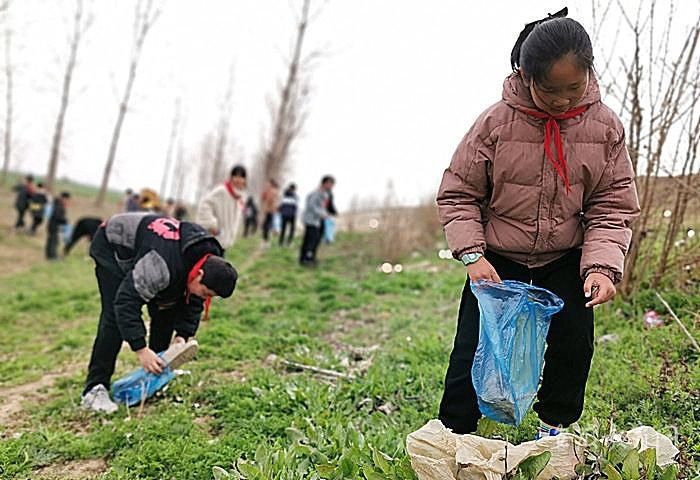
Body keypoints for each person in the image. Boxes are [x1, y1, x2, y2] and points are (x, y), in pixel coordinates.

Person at [436, 9, 640, 440]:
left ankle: (554, 430)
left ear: (590, 73)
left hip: (565, 257)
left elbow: (611, 205)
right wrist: (473, 255)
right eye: (550, 90)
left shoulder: (605, 128)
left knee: (573, 343)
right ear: (525, 76)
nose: (563, 100)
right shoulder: (494, 124)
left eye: (574, 88)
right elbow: (459, 193)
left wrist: (601, 267)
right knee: (474, 346)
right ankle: (455, 436)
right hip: (498, 260)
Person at [81, 212, 238, 413]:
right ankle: (94, 388)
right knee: (114, 316)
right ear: (199, 275)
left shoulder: (209, 260)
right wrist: (141, 349)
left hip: (151, 251)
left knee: (167, 309)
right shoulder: (161, 266)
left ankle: (155, 375)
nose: (204, 296)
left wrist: (182, 336)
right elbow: (126, 302)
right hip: (115, 245)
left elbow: (194, 300)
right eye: (206, 292)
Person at [195, 165, 247, 252]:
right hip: (213, 238)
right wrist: (212, 224)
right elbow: (205, 204)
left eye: (241, 177)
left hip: (224, 241)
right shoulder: (222, 191)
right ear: (231, 177)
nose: (238, 179)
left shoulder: (240, 197)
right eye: (236, 176)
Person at [299, 176, 335, 266]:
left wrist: (326, 213)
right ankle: (307, 259)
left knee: (311, 240)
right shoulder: (317, 193)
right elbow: (312, 206)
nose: (331, 186)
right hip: (311, 220)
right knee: (312, 240)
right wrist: (322, 214)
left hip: (316, 220)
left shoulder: (324, 193)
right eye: (330, 184)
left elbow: (321, 207)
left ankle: (306, 258)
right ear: (325, 183)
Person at [46, 191, 70, 260]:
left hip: (52, 225)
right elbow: (58, 216)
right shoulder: (59, 205)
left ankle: (49, 255)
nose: (67, 201)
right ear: (64, 198)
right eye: (67, 200)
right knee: (54, 241)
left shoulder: (56, 203)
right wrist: (65, 221)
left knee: (51, 240)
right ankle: (53, 257)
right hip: (54, 226)